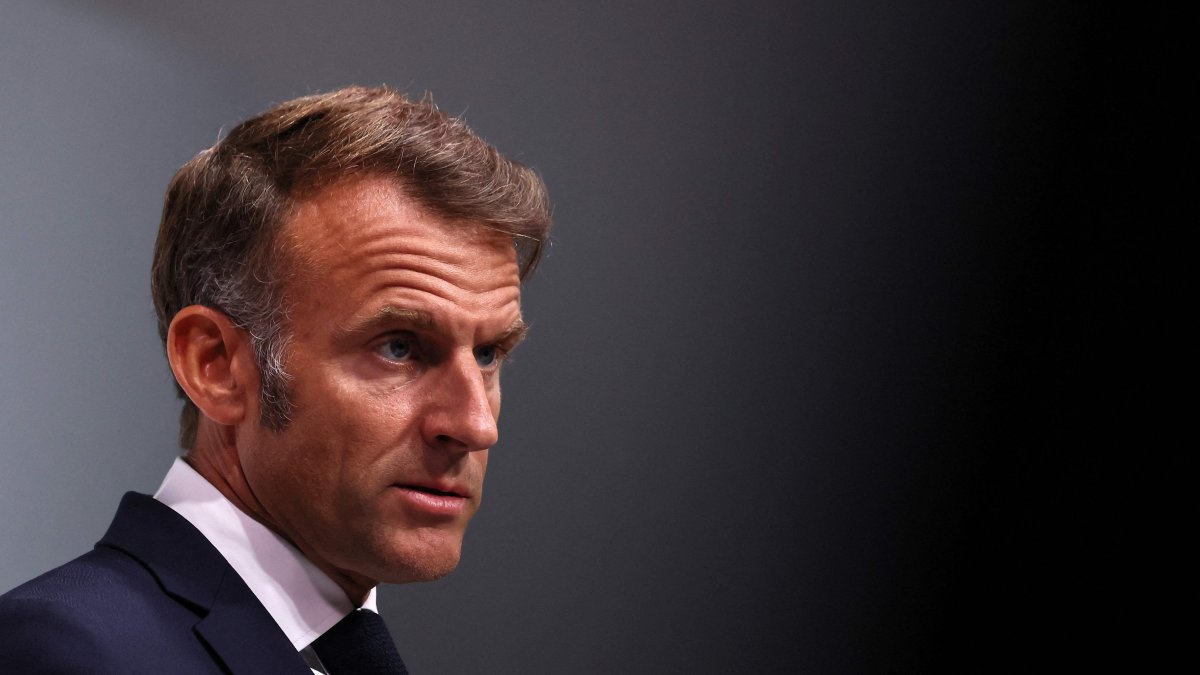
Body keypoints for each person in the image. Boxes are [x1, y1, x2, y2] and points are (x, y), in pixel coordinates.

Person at [0, 85, 552, 674]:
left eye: (488, 354)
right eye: (399, 348)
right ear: (216, 366)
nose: (476, 425)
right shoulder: (67, 653)